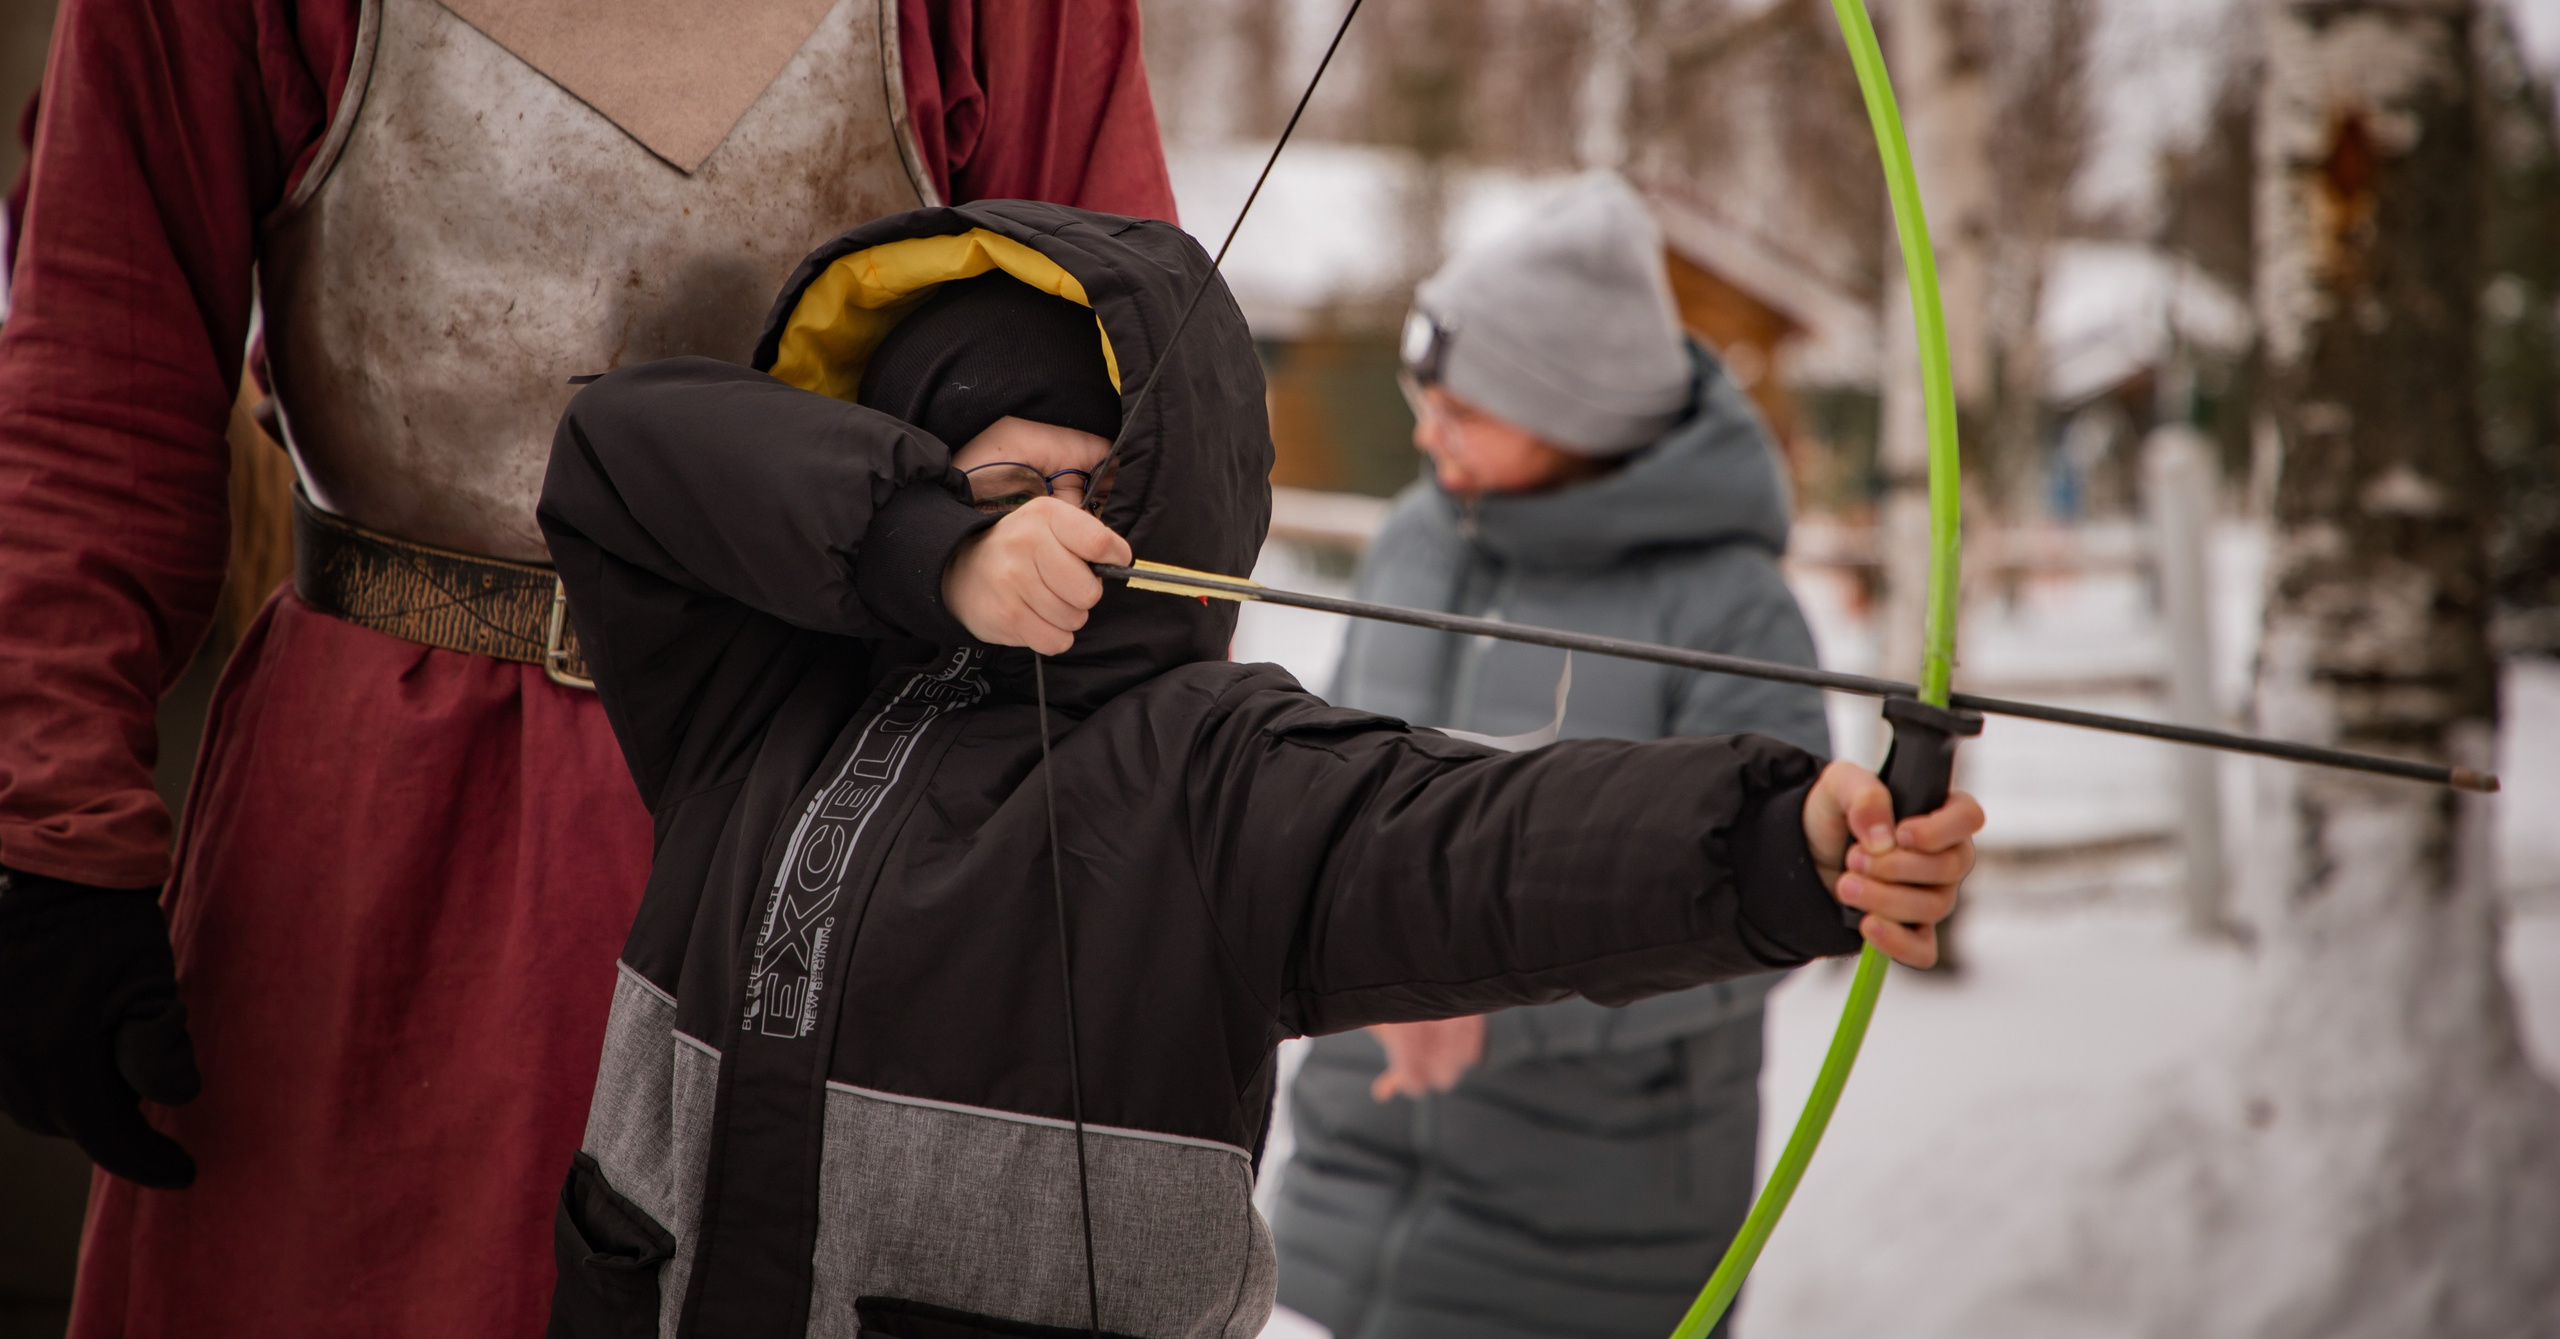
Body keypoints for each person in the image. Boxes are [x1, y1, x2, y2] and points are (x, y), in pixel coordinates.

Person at [0, 0, 1175, 1333]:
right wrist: (52, 835)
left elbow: (1128, 368)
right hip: (375, 840)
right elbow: (104, 356)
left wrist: (1110, 848)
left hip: (825, 827)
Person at [533, 197, 1981, 1337]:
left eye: (1100, 490)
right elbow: (615, 447)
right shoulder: (756, 698)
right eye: (1009, 490)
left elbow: (1464, 834)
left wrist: (1774, 842)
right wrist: (934, 553)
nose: (1060, 532)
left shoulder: (1208, 770)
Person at [1270, 181, 1838, 1339]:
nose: (1425, 434)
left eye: (1462, 410)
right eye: (1421, 400)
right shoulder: (1414, 540)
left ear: (1571, 414)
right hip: (1338, 1188)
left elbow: (1770, 907)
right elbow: (1323, 786)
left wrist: (1488, 1008)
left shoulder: (1731, 609)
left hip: (1592, 1233)